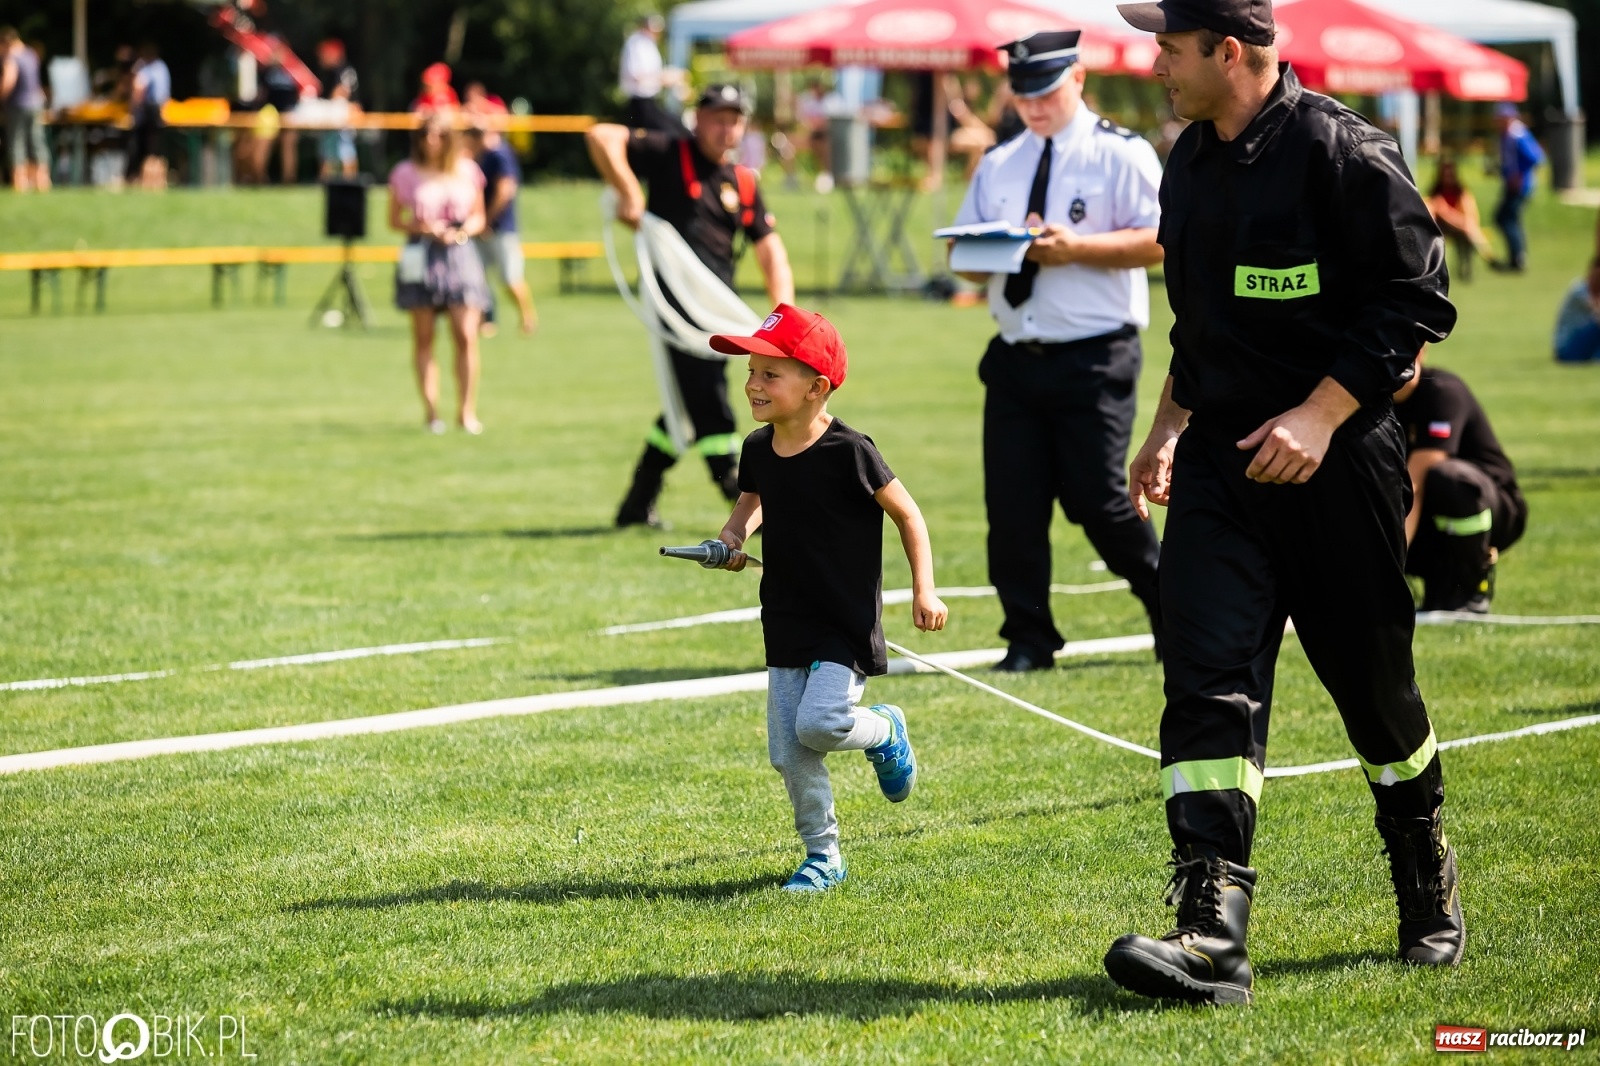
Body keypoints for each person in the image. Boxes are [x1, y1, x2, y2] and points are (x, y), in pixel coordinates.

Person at [1104, 0, 1462, 1005]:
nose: (1156, 65)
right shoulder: (1188, 159)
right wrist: (1167, 426)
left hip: (1338, 465)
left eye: (1169, 48)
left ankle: (1423, 866)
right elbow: (1200, 322)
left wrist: (1317, 415)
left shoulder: (1348, 153)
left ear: (1229, 51)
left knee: (1374, 691)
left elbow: (1415, 305)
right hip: (1219, 467)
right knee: (1205, 679)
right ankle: (1211, 932)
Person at [705, 303, 948, 891]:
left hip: (843, 620)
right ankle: (823, 856)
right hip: (785, 615)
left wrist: (925, 589)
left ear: (816, 387)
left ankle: (884, 730)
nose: (752, 384)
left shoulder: (851, 450)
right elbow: (752, 501)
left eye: (769, 374)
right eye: (750, 372)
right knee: (789, 753)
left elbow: (908, 515)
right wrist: (732, 538)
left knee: (819, 724)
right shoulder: (757, 447)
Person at [950, 29, 1166, 674]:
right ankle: (1028, 639)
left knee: (1098, 500)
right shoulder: (1000, 161)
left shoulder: (1121, 154)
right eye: (1023, 96)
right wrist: (1000, 249)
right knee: (1011, 507)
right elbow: (962, 257)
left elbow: (1162, 239)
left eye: (1045, 92)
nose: (1034, 107)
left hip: (1095, 355)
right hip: (1016, 354)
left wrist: (1076, 250)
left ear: (1077, 78)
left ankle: (1171, 608)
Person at [586, 83, 796, 528]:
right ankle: (746, 503)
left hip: (716, 311)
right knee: (709, 401)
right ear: (697, 119)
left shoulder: (743, 180)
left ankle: (636, 503)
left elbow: (769, 248)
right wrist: (629, 192)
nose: (726, 129)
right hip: (676, 309)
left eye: (734, 120)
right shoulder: (669, 153)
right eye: (718, 119)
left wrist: (785, 315)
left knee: (681, 407)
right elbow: (601, 136)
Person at [1395, 352, 1526, 613]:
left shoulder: (1443, 392)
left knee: (1448, 479)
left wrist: (1390, 563)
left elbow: (1415, 486)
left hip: (1493, 507)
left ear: (1420, 352)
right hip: (1425, 513)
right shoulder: (1369, 401)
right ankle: (1438, 589)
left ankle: (1470, 586)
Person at [387, 112, 492, 434]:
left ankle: (466, 412)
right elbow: (394, 220)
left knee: (466, 335)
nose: (431, 142)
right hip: (422, 254)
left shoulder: (467, 170)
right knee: (424, 338)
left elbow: (479, 217)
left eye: (438, 135)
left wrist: (460, 232)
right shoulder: (405, 172)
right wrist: (422, 227)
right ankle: (432, 413)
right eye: (425, 135)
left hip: (459, 255)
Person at [466, 121, 538, 336]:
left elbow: (505, 190)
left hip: (501, 227)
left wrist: (487, 220)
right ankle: (486, 320)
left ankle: (527, 317)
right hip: (481, 227)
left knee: (510, 277)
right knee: (478, 276)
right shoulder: (481, 156)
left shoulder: (500, 155)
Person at [1491, 103, 1544, 273]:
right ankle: (1516, 257)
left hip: (1521, 186)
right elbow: (1510, 161)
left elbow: (1535, 157)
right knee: (1507, 218)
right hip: (1511, 185)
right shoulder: (1505, 135)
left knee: (1506, 218)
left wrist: (1519, 175)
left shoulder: (1518, 134)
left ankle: (1518, 257)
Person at [1425, 157, 1494, 280]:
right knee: (1466, 228)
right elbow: (1430, 210)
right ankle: (1487, 255)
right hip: (1441, 226)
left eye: (1450, 174)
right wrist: (1442, 211)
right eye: (1445, 174)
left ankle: (1471, 265)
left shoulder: (1461, 192)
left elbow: (1470, 216)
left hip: (1459, 227)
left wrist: (1445, 211)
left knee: (1467, 230)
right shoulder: (1435, 192)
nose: (1447, 177)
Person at [1, 28, 49, 192]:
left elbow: (9, 81)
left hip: (18, 105)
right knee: (37, 140)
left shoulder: (11, 57)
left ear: (6, 43)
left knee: (17, 141)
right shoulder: (31, 54)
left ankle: (19, 181)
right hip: (37, 102)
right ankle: (42, 181)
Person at [618, 14, 680, 134]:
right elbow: (635, 75)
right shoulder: (636, 43)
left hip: (650, 101)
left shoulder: (648, 43)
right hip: (639, 102)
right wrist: (663, 78)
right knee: (667, 133)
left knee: (674, 127)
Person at [125, 41, 170, 188]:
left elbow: (139, 88)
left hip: (148, 112)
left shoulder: (144, 67)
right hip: (160, 112)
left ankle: (140, 178)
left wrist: (133, 108)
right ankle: (157, 180)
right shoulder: (162, 67)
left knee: (141, 147)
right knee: (155, 148)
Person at [315, 39, 360, 180]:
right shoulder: (328, 73)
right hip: (332, 116)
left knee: (345, 150)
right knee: (328, 150)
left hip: (344, 115)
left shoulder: (344, 70)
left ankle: (350, 181)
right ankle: (326, 181)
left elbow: (342, 93)